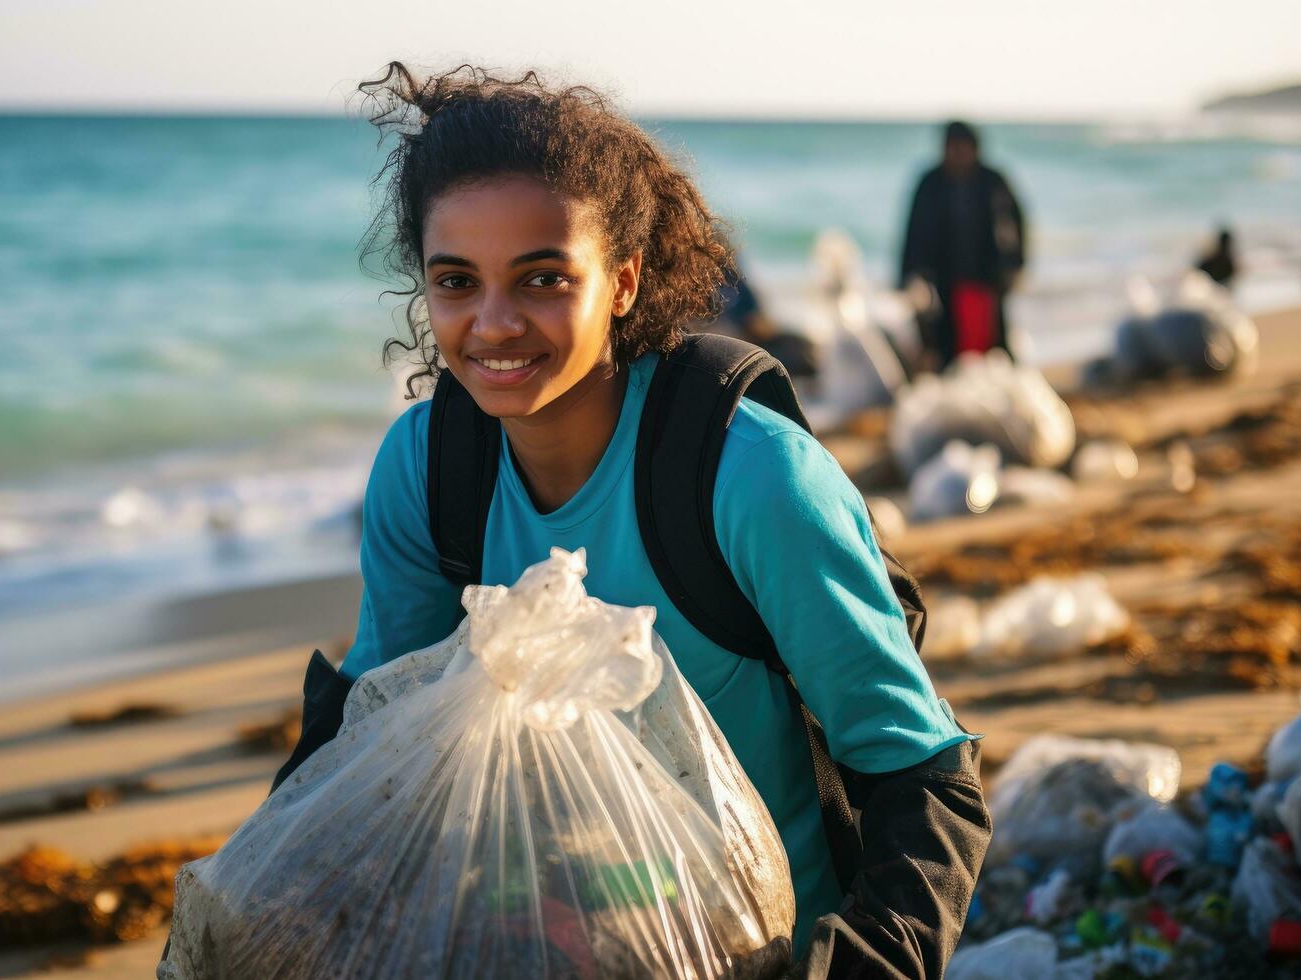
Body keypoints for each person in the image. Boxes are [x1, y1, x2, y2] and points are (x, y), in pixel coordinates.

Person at [278, 64, 989, 977]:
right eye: (456, 281)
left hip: (757, 951)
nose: (492, 325)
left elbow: (924, 782)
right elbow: (372, 755)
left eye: (540, 279)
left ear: (622, 281)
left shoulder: (751, 478)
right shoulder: (426, 470)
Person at [898, 121, 1027, 371]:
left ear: (975, 148)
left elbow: (1017, 221)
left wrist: (1017, 263)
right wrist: (908, 277)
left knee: (994, 347)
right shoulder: (930, 182)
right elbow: (912, 231)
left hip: (987, 281)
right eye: (950, 147)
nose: (956, 154)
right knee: (946, 349)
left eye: (961, 147)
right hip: (943, 282)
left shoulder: (993, 181)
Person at [1196, 226, 1238, 291]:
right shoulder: (1228, 260)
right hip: (1218, 290)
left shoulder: (1211, 257)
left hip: (1211, 288)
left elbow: (1198, 270)